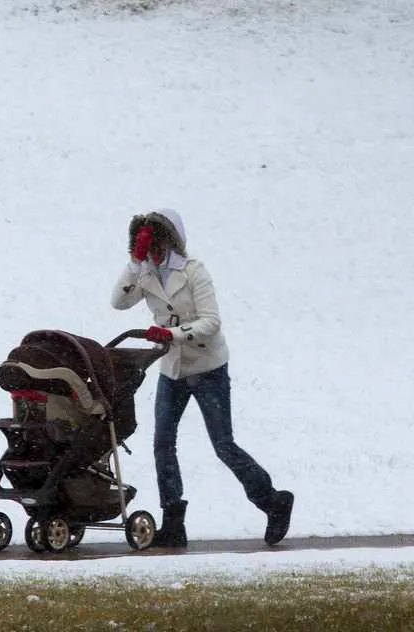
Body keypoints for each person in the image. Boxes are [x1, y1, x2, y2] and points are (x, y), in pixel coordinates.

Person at [110, 208, 294, 548]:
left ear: (171, 242)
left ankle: (272, 501)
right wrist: (135, 264)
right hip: (173, 369)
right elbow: (118, 302)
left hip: (206, 366)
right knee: (162, 444)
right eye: (146, 247)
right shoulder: (146, 273)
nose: (154, 253)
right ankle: (173, 521)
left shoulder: (194, 271)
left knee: (223, 444)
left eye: (157, 245)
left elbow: (211, 322)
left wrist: (172, 334)